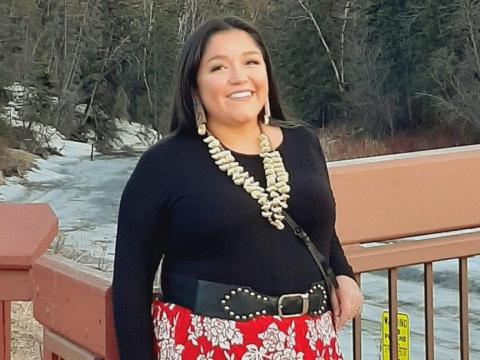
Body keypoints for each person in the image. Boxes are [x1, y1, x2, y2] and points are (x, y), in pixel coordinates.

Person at [112, 16, 363, 360]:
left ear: (266, 73)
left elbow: (317, 225)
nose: (239, 77)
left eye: (250, 62)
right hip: (208, 345)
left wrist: (344, 274)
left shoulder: (303, 142)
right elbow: (131, 282)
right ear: (193, 86)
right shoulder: (164, 165)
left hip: (311, 342)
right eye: (218, 67)